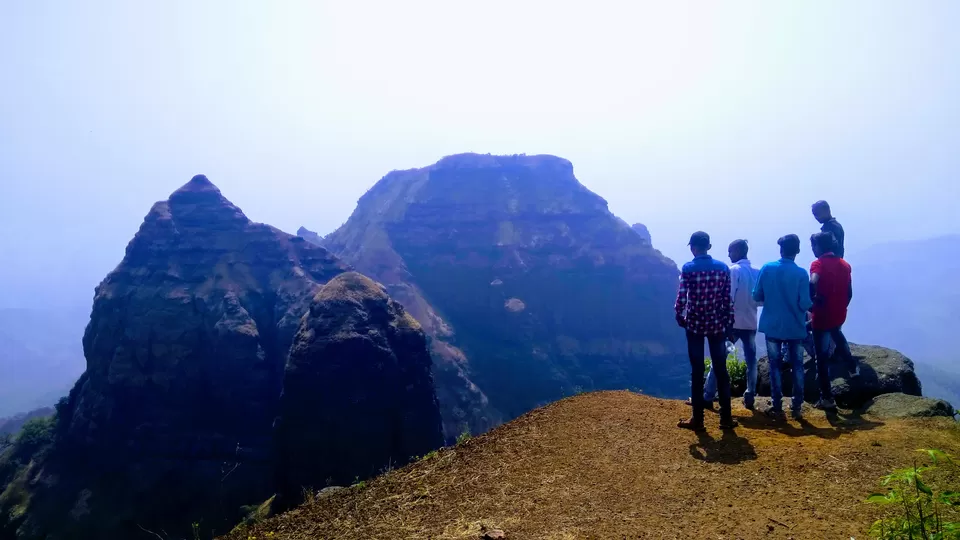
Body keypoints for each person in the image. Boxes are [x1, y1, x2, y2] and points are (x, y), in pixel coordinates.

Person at [675, 231, 738, 431]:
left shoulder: (688, 268)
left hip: (694, 325)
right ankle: (726, 418)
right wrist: (729, 324)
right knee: (721, 370)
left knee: (697, 370)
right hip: (717, 325)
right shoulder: (722, 268)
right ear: (709, 247)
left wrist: (680, 316)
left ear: (693, 248)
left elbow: (681, 298)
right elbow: (727, 300)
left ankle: (698, 419)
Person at [753, 234, 813, 420]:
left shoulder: (767, 268)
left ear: (780, 250)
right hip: (795, 327)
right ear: (798, 251)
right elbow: (805, 303)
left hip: (772, 326)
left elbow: (756, 295)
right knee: (797, 366)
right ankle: (797, 406)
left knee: (775, 366)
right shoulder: (801, 274)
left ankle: (777, 406)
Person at [700, 239, 761, 410]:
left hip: (732, 324)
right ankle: (750, 395)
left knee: (719, 359)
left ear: (738, 251)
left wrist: (724, 320)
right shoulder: (757, 271)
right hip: (751, 323)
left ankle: (708, 395)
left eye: (730, 251)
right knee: (751, 361)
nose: (728, 255)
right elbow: (760, 299)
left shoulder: (734, 270)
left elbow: (728, 297)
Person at [809, 232, 857, 410]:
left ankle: (827, 398)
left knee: (821, 358)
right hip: (838, 313)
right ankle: (853, 368)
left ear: (819, 246)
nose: (813, 249)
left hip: (821, 316)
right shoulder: (845, 265)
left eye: (813, 246)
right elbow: (849, 292)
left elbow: (813, 282)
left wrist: (811, 302)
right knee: (837, 334)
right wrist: (841, 306)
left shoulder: (817, 264)